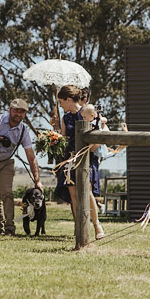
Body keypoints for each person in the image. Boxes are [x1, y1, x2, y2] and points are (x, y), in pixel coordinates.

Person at [0, 99, 41, 236]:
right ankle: (0, 228)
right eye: (16, 110)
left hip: (6, 162)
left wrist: (37, 180)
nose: (18, 114)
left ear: (25, 114)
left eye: (22, 112)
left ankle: (10, 229)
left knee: (7, 193)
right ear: (10, 110)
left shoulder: (23, 131)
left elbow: (30, 156)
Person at [53, 87, 105, 240]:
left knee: (87, 192)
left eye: (61, 102)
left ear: (69, 100)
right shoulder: (66, 117)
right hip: (70, 159)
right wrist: (53, 135)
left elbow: (98, 132)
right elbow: (63, 138)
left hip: (87, 157)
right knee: (73, 196)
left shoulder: (88, 111)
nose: (60, 105)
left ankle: (97, 226)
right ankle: (80, 227)